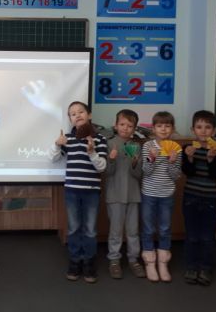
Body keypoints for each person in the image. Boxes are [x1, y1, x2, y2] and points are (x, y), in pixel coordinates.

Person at [50, 101, 107, 283]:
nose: (77, 115)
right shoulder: (68, 138)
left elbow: (102, 167)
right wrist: (57, 145)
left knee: (90, 230)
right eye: (73, 114)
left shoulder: (99, 139)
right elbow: (53, 159)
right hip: (72, 190)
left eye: (81, 112)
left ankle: (89, 262)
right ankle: (75, 262)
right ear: (70, 119)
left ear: (89, 115)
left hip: (91, 191)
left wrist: (91, 152)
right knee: (74, 228)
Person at [181, 110, 216, 286]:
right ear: (193, 130)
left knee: (208, 236)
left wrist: (210, 159)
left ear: (214, 131)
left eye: (208, 127)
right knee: (192, 235)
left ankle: (206, 267)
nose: (203, 131)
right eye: (199, 127)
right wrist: (189, 157)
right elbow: (187, 172)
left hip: (210, 199)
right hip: (190, 197)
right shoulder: (187, 148)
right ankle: (191, 266)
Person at [140, 111, 181, 283]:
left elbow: (176, 176)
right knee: (148, 228)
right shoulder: (147, 146)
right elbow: (146, 172)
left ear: (172, 128)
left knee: (164, 229)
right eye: (159, 126)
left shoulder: (176, 147)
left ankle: (163, 262)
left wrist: (171, 162)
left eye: (167, 126)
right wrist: (151, 158)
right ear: (153, 129)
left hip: (167, 194)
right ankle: (150, 262)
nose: (163, 129)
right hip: (148, 193)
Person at [104, 109, 145, 279]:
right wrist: (111, 159)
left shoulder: (136, 146)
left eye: (130, 125)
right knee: (115, 231)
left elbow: (138, 175)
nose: (125, 128)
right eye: (122, 124)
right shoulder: (109, 143)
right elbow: (107, 172)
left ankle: (133, 259)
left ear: (134, 128)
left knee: (133, 231)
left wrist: (135, 162)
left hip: (133, 195)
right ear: (115, 125)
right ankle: (114, 260)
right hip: (115, 195)